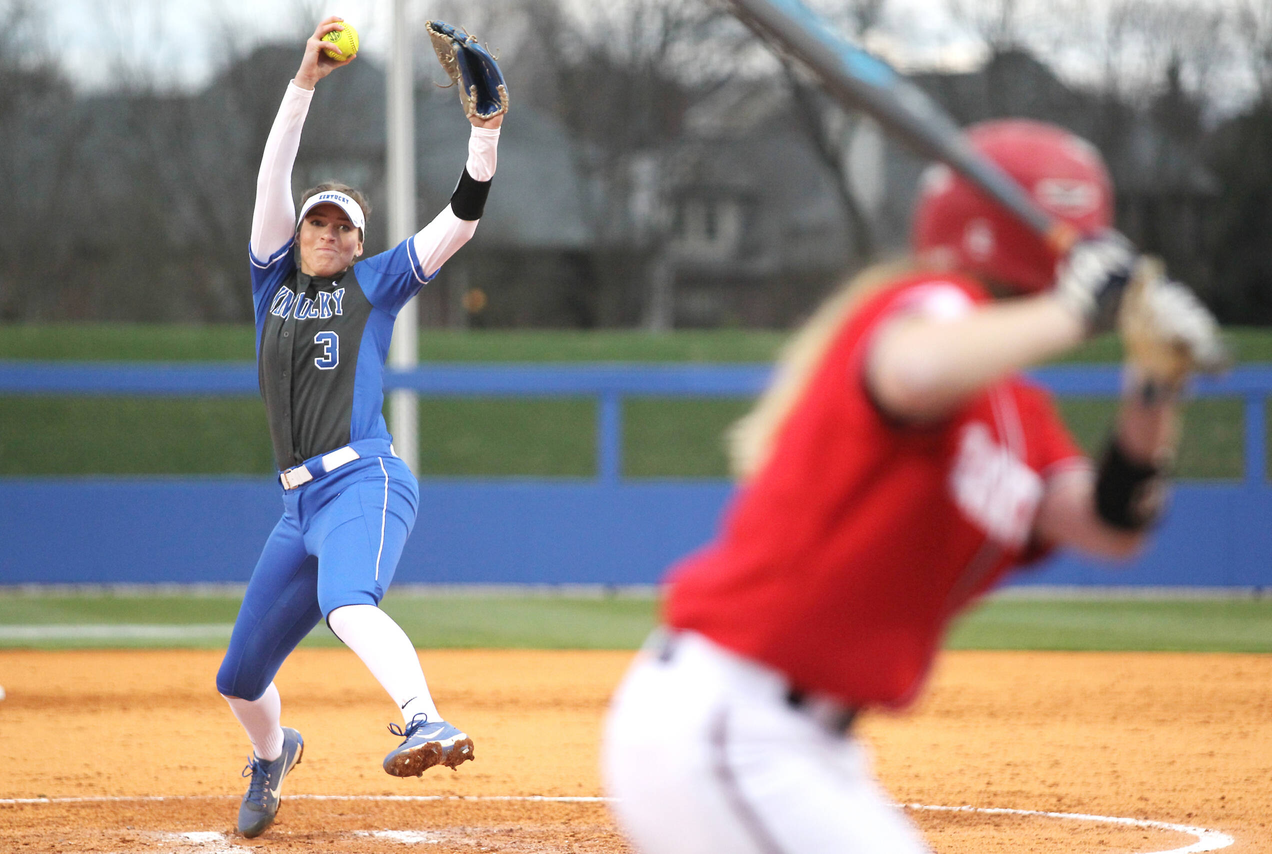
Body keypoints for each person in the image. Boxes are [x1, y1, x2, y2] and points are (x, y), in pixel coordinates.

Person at [601, 119, 1224, 854]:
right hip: (732, 719)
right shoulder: (926, 306)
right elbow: (912, 372)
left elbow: (1108, 524)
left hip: (801, 747)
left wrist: (1154, 389)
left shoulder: (1018, 413)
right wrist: (1072, 313)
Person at [214, 17, 504, 839]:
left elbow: (461, 221)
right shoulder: (270, 279)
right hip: (295, 508)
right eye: (321, 222)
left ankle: (424, 720)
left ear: (360, 244)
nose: (332, 233)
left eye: (345, 226)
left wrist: (483, 139)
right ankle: (274, 755)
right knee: (238, 680)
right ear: (299, 232)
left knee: (348, 602)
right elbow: (275, 174)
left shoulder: (374, 286)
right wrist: (302, 82)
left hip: (364, 479)